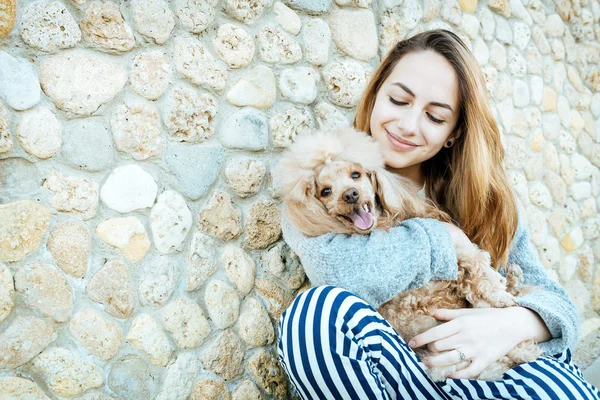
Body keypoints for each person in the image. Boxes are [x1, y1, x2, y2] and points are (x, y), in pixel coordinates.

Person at [276, 29, 600, 399]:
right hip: (409, 375)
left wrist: (511, 323)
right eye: (398, 100)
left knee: (553, 387)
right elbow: (339, 274)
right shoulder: (317, 186)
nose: (408, 126)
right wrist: (445, 239)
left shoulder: (482, 198)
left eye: (434, 116)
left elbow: (558, 305)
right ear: (375, 94)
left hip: (499, 366)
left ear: (452, 133)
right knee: (311, 320)